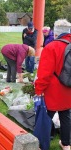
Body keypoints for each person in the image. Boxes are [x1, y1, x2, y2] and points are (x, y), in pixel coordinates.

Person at [35, 19, 71, 150]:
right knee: (66, 115)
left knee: (46, 116)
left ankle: (41, 144)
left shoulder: (51, 47)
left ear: (55, 33)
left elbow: (44, 74)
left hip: (53, 89)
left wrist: (39, 89)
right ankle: (66, 144)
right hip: (68, 89)